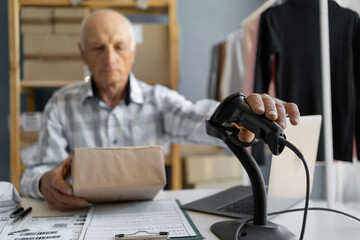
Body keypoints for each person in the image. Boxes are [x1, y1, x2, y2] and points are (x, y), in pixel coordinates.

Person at [19, 9, 300, 211]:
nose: (109, 58)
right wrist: (45, 183)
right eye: (97, 47)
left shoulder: (158, 101)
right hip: (80, 213)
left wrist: (243, 118)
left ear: (133, 52)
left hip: (145, 219)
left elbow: (202, 118)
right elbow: (34, 173)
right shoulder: (61, 104)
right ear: (82, 53)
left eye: (119, 47)